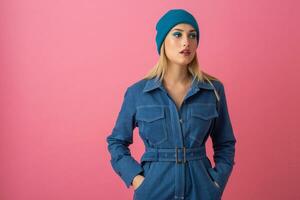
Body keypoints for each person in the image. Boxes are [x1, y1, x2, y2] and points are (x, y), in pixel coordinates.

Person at [106, 8, 237, 200]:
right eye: (177, 34)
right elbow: (117, 141)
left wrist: (217, 182)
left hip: (201, 190)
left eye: (192, 35)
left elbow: (225, 143)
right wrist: (136, 179)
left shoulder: (213, 90)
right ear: (162, 42)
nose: (186, 42)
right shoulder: (138, 93)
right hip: (153, 190)